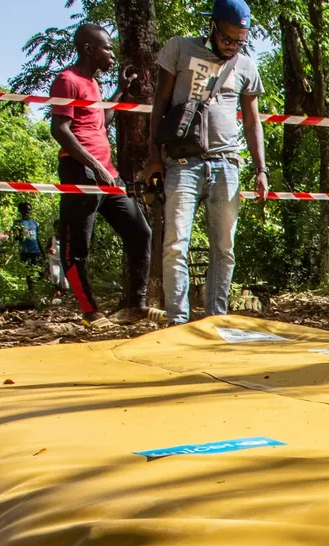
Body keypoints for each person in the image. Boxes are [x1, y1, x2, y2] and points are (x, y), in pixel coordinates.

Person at [144, 0, 269, 325]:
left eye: (239, 41)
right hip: (183, 162)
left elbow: (253, 121)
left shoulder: (245, 65)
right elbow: (160, 100)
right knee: (175, 245)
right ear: (212, 27)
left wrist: (261, 169)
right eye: (227, 39)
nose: (232, 47)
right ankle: (177, 322)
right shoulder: (180, 48)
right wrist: (154, 156)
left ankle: (216, 320)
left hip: (227, 163)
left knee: (224, 248)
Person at [50, 23, 156, 330]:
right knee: (76, 247)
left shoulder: (93, 85)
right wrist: (94, 167)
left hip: (108, 175)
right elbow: (60, 130)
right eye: (107, 47)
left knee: (140, 232)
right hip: (80, 170)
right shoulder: (66, 81)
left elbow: (99, 123)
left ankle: (135, 306)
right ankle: (91, 314)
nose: (111, 53)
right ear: (89, 49)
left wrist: (120, 91)